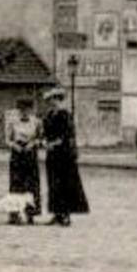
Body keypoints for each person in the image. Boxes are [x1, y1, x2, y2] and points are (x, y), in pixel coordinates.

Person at [41, 88, 89, 227]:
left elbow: (67, 134)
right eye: (49, 100)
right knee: (53, 183)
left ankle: (66, 214)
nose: (51, 102)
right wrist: (45, 142)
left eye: (54, 99)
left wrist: (54, 143)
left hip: (64, 154)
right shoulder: (49, 115)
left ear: (59, 99)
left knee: (65, 183)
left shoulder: (65, 115)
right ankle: (56, 212)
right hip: (52, 154)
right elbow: (44, 132)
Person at [5, 99, 43, 224]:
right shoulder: (12, 122)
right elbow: (7, 139)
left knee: (31, 184)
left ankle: (30, 213)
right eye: (21, 110)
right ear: (18, 110)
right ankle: (14, 214)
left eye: (27, 109)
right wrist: (15, 146)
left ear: (31, 110)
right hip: (17, 154)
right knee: (16, 183)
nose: (24, 112)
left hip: (30, 153)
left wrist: (32, 144)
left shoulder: (36, 122)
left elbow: (40, 138)